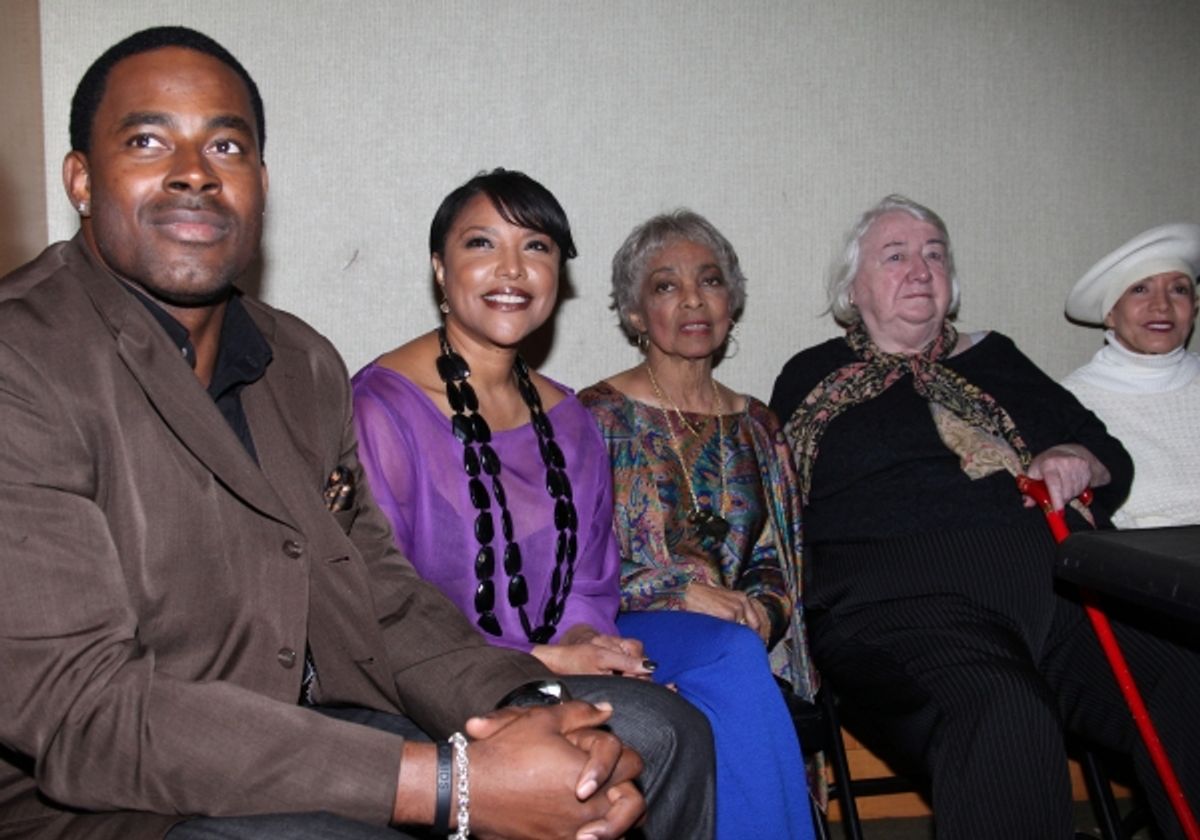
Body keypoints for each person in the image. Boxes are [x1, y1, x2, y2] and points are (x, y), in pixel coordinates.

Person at [0, 28, 710, 840]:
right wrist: (453, 786)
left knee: (653, 738)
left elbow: (380, 595)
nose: (194, 171)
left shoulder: (299, 363)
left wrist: (522, 709)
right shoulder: (23, 360)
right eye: (149, 139)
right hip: (115, 797)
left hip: (316, 727)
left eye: (225, 144)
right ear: (82, 180)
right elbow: (82, 706)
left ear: (259, 185)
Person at [769, 194, 1200, 839]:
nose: (921, 269)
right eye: (896, 256)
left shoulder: (996, 358)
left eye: (935, 255)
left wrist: (1079, 457)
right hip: (903, 610)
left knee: (1188, 677)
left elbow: (1109, 452)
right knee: (1005, 712)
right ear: (852, 289)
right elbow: (783, 508)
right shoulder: (812, 376)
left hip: (1056, 601)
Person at [351, 169, 714, 838]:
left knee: (679, 729)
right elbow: (380, 610)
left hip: (548, 672)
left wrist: (583, 639)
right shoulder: (381, 407)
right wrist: (549, 663)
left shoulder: (570, 418)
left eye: (537, 247)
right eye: (482, 244)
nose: (511, 269)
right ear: (440, 268)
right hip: (423, 687)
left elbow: (590, 578)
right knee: (650, 733)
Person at [578, 210, 817, 838]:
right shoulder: (593, 417)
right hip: (626, 627)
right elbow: (574, 565)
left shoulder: (760, 427)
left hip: (735, 637)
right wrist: (678, 591)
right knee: (731, 654)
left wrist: (765, 609)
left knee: (736, 649)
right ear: (634, 313)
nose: (692, 299)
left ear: (731, 302)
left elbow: (779, 555)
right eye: (665, 285)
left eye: (709, 282)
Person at [1062, 222, 1200, 528]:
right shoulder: (1072, 401)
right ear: (1110, 313)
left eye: (1178, 289)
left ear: (1194, 307)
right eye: (1140, 289)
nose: (1162, 305)